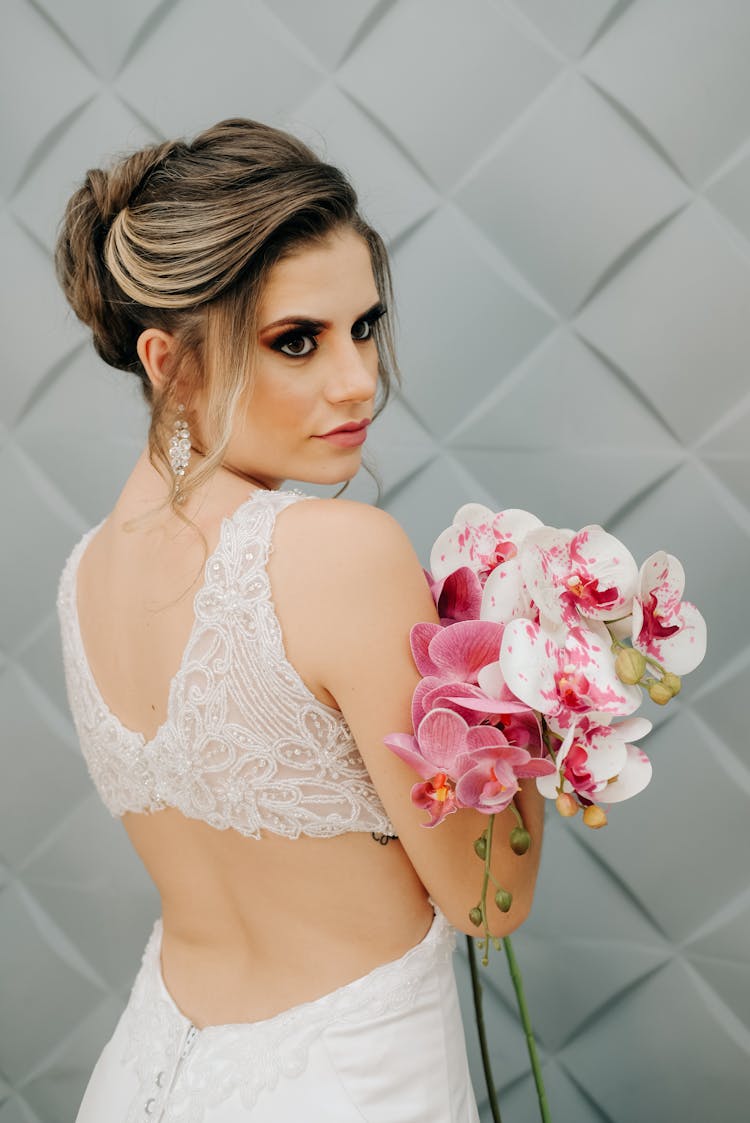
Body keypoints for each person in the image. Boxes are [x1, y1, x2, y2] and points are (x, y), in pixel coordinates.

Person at [54, 117, 545, 1122]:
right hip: (349, 1089)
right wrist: (545, 683)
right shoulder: (336, 551)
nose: (358, 378)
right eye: (296, 341)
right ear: (171, 362)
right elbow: (490, 900)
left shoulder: (83, 576)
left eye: (363, 325)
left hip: (144, 1079)